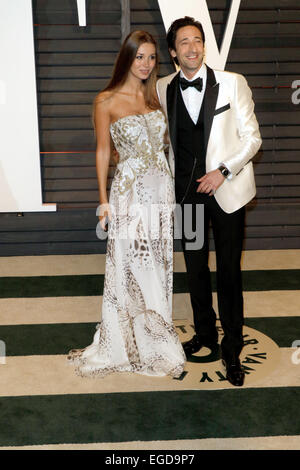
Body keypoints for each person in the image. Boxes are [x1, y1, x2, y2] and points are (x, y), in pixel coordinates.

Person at [68, 30, 185, 378]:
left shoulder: (155, 98)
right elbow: (104, 151)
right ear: (127, 58)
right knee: (132, 266)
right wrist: (104, 201)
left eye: (151, 58)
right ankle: (135, 343)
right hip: (130, 195)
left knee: (159, 266)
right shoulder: (106, 100)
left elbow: (164, 148)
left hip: (161, 193)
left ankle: (156, 339)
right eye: (140, 57)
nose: (146, 64)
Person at [156, 17, 262, 386]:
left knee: (229, 274)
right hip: (186, 198)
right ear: (172, 52)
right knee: (196, 271)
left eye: (197, 40)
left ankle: (233, 349)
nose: (192, 47)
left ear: (204, 45)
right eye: (183, 42)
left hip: (227, 194)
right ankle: (205, 335)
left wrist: (223, 171)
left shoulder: (234, 83)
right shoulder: (162, 87)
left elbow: (253, 139)